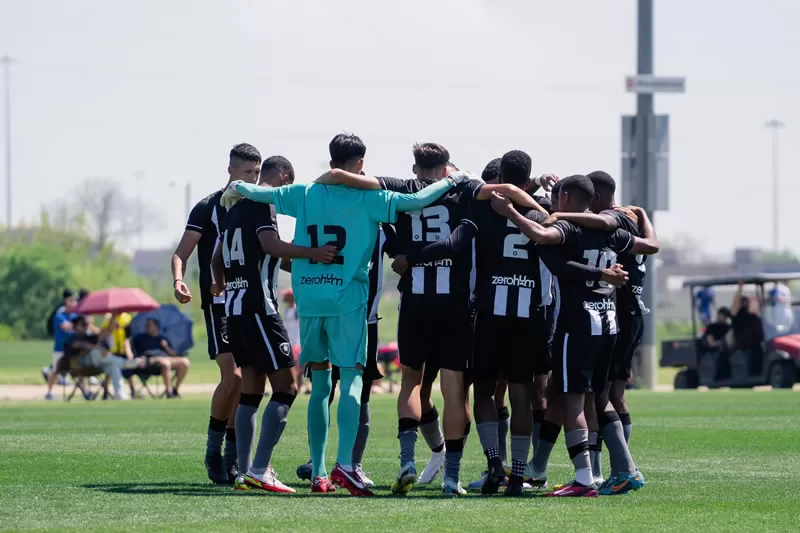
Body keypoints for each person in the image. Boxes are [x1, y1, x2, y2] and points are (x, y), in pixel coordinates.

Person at [222, 132, 472, 496]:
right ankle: (345, 466)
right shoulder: (370, 198)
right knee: (353, 381)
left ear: (331, 160)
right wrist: (452, 180)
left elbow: (264, 193)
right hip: (348, 301)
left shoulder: (304, 193)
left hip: (310, 300)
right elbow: (418, 199)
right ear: (359, 164)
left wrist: (239, 186)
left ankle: (319, 472)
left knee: (320, 386)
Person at [321, 142, 548, 496]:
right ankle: (452, 478)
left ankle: (407, 461)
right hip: (455, 305)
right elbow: (501, 196)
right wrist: (539, 210)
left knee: (412, 381)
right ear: (446, 169)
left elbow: (350, 181)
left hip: (417, 303)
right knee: (455, 389)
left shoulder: (402, 187)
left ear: (416, 168)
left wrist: (405, 253)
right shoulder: (463, 189)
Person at [491, 174, 658, 497]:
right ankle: (619, 469)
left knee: (572, 400)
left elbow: (540, 232)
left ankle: (585, 478)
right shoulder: (613, 230)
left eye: (556, 198)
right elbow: (648, 246)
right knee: (596, 397)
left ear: (565, 196)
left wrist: (510, 213)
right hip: (608, 323)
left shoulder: (569, 229)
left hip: (578, 324)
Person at [212, 154, 336, 493]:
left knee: (251, 391)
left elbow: (218, 258)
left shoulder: (233, 208)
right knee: (287, 387)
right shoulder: (261, 205)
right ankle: (260, 468)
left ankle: (243, 470)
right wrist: (312, 253)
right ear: (282, 177)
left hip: (235, 309)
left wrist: (220, 282)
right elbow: (269, 244)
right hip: (259, 310)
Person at [171, 143, 261, 484]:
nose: (251, 178)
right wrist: (179, 281)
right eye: (246, 172)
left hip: (251, 303)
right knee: (234, 377)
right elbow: (181, 253)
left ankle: (234, 458)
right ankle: (214, 451)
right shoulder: (208, 207)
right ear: (230, 171)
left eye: (256, 172)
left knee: (251, 381)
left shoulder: (258, 207)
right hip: (220, 304)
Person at [63, 314, 144, 399]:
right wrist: (97, 348)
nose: (86, 326)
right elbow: (78, 344)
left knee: (113, 365)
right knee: (96, 352)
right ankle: (128, 363)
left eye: (86, 324)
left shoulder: (88, 337)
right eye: (83, 324)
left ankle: (120, 394)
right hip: (80, 364)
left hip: (97, 364)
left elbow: (106, 333)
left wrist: (113, 317)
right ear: (76, 326)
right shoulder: (72, 338)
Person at [132, 318, 191, 397]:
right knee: (165, 363)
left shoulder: (162, 338)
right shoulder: (140, 338)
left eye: (149, 325)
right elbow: (134, 352)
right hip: (149, 362)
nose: (146, 327)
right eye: (146, 325)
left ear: (156, 327)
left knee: (185, 362)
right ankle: (169, 393)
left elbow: (173, 354)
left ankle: (175, 390)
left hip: (166, 359)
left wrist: (166, 347)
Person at [45, 290, 78, 400]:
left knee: (78, 368)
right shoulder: (60, 315)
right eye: (71, 301)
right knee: (55, 370)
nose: (74, 303)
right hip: (60, 348)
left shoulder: (74, 315)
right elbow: (66, 326)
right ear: (66, 302)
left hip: (72, 348)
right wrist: (76, 325)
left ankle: (85, 391)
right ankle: (49, 393)